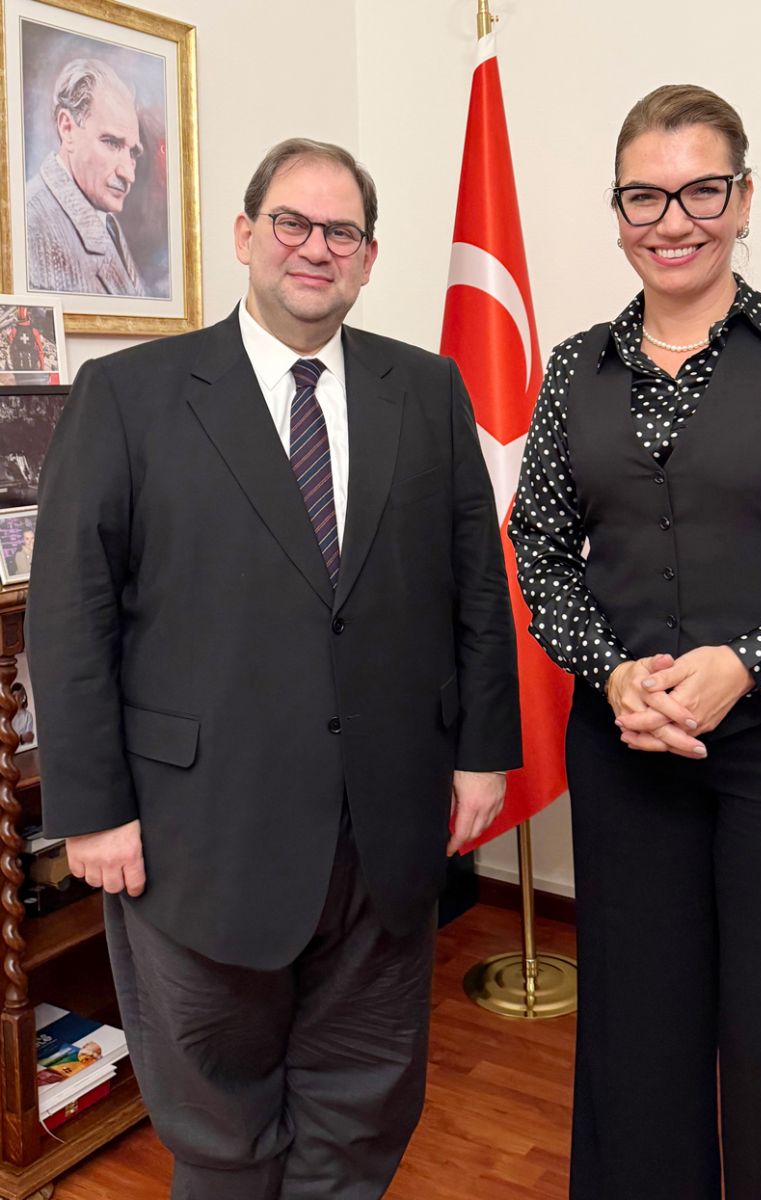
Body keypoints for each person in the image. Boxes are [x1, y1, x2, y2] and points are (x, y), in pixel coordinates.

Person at [27, 137, 521, 1200]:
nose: (315, 247)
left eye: (341, 231)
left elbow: (477, 589)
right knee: (219, 1123)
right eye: (292, 222)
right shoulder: (128, 394)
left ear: (369, 258)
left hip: (384, 828)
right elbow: (70, 617)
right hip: (196, 835)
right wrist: (92, 811)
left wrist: (485, 754)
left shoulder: (426, 388)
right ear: (245, 234)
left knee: (364, 1104)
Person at [509, 85, 761, 1200]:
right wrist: (610, 674)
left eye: (701, 191)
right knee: (637, 1048)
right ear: (617, 213)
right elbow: (538, 547)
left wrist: (748, 660)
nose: (673, 220)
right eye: (643, 196)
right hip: (630, 757)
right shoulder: (574, 370)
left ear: (743, 200)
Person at [25, 58, 146, 296]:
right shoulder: (31, 225)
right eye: (111, 142)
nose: (129, 174)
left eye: (132, 153)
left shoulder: (106, 221)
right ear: (67, 128)